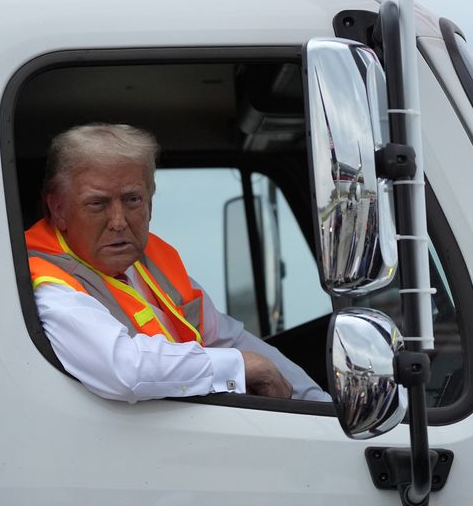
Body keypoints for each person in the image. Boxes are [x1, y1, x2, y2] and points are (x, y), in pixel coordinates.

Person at [25, 123, 331, 403]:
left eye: (132, 199)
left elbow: (230, 338)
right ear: (58, 209)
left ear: (151, 202)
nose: (118, 221)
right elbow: (124, 370)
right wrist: (240, 366)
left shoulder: (151, 263)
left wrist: (318, 405)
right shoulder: (47, 282)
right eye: (97, 203)